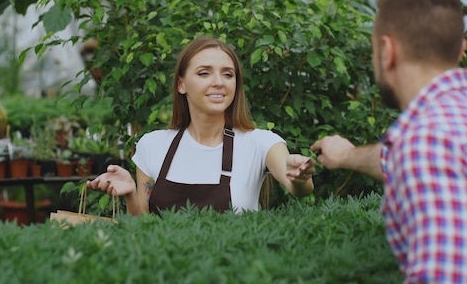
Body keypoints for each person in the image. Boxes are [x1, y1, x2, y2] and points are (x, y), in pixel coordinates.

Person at [311, 0, 467, 283]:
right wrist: (347, 154)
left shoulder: (427, 142)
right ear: (460, 50)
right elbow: (406, 159)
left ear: (387, 51)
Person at [88, 36, 315, 216]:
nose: (218, 82)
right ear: (181, 84)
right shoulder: (153, 145)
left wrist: (300, 177)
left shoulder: (260, 142)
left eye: (228, 74)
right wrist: (129, 195)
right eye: (204, 73)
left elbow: (297, 187)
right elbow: (143, 227)